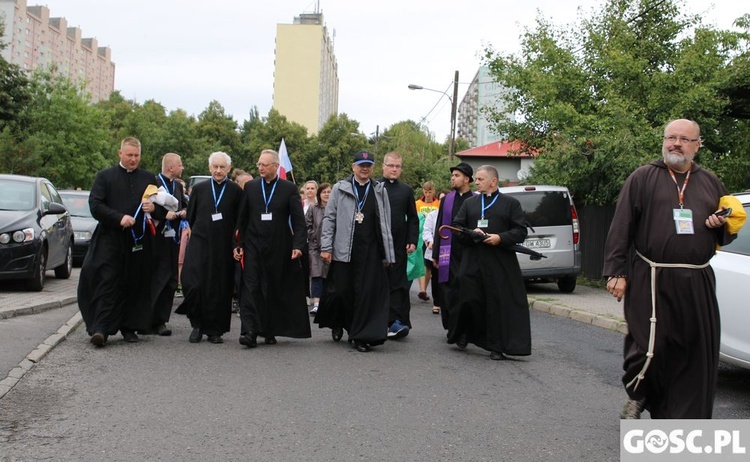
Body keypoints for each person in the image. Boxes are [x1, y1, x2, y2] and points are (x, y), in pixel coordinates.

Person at [603, 119, 736, 419]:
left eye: (684, 139)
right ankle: (640, 392)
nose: (676, 143)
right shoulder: (642, 178)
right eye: (671, 138)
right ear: (663, 141)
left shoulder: (711, 182)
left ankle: (685, 420)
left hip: (697, 280)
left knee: (693, 352)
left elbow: (727, 231)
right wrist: (616, 272)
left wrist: (720, 224)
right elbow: (621, 226)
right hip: (651, 277)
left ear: (697, 146)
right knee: (648, 344)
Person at [78, 137, 160, 346]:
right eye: (129, 155)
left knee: (134, 283)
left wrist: (154, 209)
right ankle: (100, 328)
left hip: (137, 241)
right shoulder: (105, 177)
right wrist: (118, 218)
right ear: (120, 154)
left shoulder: (149, 178)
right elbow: (95, 205)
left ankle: (130, 326)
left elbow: (163, 205)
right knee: (106, 281)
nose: (133, 159)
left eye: (136, 156)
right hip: (110, 238)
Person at [448, 165, 531, 360]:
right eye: (475, 179)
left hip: (499, 262)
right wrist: (471, 233)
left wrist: (500, 238)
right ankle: (465, 331)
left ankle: (496, 346)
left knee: (497, 303)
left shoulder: (510, 204)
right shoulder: (470, 203)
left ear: (493, 181)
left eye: (480, 179)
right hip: (473, 260)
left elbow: (520, 231)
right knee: (468, 297)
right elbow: (456, 227)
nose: (476, 182)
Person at [315, 150, 395, 352]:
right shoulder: (340, 189)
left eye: (368, 164)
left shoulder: (379, 189)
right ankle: (338, 322)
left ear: (372, 168)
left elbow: (385, 222)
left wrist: (388, 253)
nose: (365, 168)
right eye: (361, 164)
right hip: (344, 249)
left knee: (365, 293)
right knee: (342, 291)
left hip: (370, 251)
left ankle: (359, 335)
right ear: (353, 167)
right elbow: (329, 218)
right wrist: (326, 247)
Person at [234, 149, 311, 348]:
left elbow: (298, 220)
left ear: (276, 167)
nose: (259, 167)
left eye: (264, 165)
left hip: (279, 246)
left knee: (272, 289)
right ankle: (249, 331)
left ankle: (269, 329)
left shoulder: (288, 188)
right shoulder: (250, 187)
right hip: (253, 245)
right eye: (259, 164)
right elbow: (242, 219)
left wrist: (298, 245)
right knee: (251, 287)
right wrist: (238, 244)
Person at [175, 152, 242, 344]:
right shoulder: (200, 188)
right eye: (215, 166)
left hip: (223, 246)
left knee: (219, 288)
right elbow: (192, 216)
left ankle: (215, 329)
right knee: (194, 284)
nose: (218, 170)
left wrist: (236, 244)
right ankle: (197, 324)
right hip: (200, 243)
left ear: (228, 168)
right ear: (209, 167)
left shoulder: (235, 191)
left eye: (222, 167)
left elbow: (238, 221)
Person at [380, 151, 419, 339]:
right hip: (377, 246)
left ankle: (397, 322)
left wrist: (412, 240)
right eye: (391, 165)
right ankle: (378, 321)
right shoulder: (375, 187)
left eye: (398, 166)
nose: (394, 169)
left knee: (398, 284)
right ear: (383, 166)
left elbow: (412, 218)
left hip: (398, 245)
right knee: (378, 284)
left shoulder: (406, 190)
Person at [432, 164, 475, 331]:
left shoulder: (475, 199)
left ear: (466, 179)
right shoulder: (446, 200)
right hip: (447, 251)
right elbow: (439, 225)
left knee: (464, 289)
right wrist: (435, 253)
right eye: (452, 175)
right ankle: (450, 325)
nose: (453, 178)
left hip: (466, 251)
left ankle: (463, 326)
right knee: (447, 289)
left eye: (456, 175)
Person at [149, 153, 187, 336]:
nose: (183, 168)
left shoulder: (178, 186)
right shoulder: (153, 183)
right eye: (180, 165)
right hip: (156, 238)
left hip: (173, 238)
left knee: (171, 279)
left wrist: (184, 211)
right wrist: (164, 215)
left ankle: (162, 320)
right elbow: (147, 207)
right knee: (157, 278)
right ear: (171, 167)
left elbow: (184, 204)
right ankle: (150, 318)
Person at [306, 183, 332, 314]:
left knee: (330, 275)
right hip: (315, 247)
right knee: (317, 274)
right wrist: (313, 236)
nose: (327, 194)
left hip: (333, 248)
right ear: (319, 194)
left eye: (329, 192)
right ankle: (316, 303)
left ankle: (328, 302)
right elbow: (307, 225)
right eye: (324, 192)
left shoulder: (336, 208)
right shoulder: (313, 208)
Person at [415, 180, 441, 305]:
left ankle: (425, 290)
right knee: (424, 265)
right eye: (426, 192)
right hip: (421, 236)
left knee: (431, 266)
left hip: (433, 238)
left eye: (430, 192)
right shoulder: (418, 203)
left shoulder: (438, 203)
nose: (428, 194)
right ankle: (423, 290)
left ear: (433, 191)